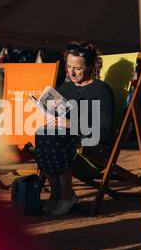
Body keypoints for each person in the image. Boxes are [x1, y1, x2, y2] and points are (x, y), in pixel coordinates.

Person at [35, 41, 114, 216]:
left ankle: (67, 195)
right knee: (42, 134)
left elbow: (105, 133)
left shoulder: (101, 91)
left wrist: (71, 124)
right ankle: (56, 195)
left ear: (90, 66)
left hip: (93, 150)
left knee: (59, 141)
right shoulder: (66, 88)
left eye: (77, 68)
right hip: (68, 144)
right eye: (69, 66)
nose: (71, 72)